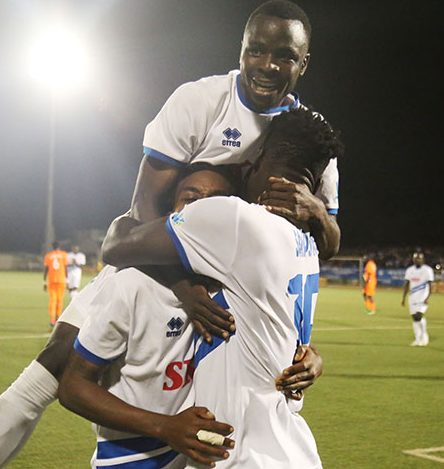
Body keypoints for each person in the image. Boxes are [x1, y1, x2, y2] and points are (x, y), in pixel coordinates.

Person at [0, 165, 322, 468]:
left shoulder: (238, 277)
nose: (200, 211)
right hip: (134, 455)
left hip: (192, 453)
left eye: (213, 203)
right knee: (40, 379)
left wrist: (310, 356)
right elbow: (73, 384)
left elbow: (274, 322)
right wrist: (165, 427)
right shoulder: (129, 281)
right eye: (190, 199)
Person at [99, 108, 343, 467]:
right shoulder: (305, 241)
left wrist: (136, 212)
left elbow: (117, 245)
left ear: (258, 159)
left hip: (245, 454)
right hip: (289, 445)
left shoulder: (236, 221)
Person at [115, 0, 342, 343]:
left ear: (304, 63)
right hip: (162, 272)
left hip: (238, 304)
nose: (267, 66)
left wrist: (316, 212)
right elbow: (145, 203)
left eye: (285, 56)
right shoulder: (199, 102)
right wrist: (186, 288)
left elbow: (328, 244)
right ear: (242, 51)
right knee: (64, 353)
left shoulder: (310, 135)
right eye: (256, 51)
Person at [401, 252, 434, 346]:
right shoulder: (409, 270)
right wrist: (403, 298)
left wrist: (427, 297)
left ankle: (424, 335)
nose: (417, 260)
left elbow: (430, 285)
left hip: (422, 296)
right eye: (416, 259)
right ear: (413, 260)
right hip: (412, 296)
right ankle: (417, 339)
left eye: (419, 259)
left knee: (419, 315)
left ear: (423, 260)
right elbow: (407, 284)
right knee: (415, 318)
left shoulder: (427, 270)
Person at [43, 242, 68, 326]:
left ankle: (52, 319)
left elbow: (46, 269)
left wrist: (44, 281)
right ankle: (58, 318)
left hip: (52, 280)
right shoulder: (64, 255)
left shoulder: (48, 256)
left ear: (52, 247)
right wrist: (67, 280)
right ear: (59, 247)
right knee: (60, 300)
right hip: (61, 280)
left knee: (53, 300)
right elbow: (65, 268)